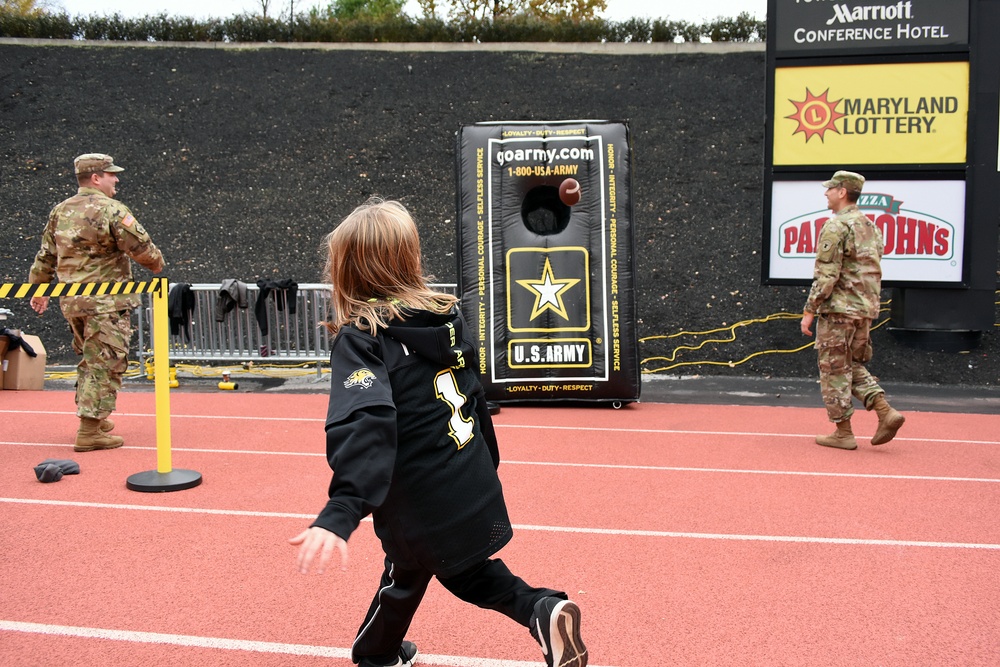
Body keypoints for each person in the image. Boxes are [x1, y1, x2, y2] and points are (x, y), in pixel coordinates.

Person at [288, 198, 587, 667]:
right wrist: (488, 466)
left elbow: (366, 421)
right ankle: (378, 651)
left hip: (420, 495)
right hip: (468, 477)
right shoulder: (446, 319)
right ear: (410, 257)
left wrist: (343, 508)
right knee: (413, 571)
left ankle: (538, 608)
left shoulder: (363, 339)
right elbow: (475, 398)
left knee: (448, 574)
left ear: (346, 270)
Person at [28, 153, 165, 452]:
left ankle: (96, 418)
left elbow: (46, 256)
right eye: (111, 174)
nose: (116, 179)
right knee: (106, 362)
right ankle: (90, 431)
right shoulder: (112, 210)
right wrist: (156, 264)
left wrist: (38, 290)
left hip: (73, 303)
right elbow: (141, 247)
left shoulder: (59, 211)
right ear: (95, 178)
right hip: (106, 303)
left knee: (90, 360)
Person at [800, 170, 905, 450]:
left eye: (830, 189)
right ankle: (885, 412)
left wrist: (810, 309)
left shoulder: (836, 226)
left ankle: (843, 433)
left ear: (842, 192)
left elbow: (827, 276)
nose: (826, 193)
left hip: (839, 311)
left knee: (833, 370)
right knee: (850, 364)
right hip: (864, 310)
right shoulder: (870, 225)